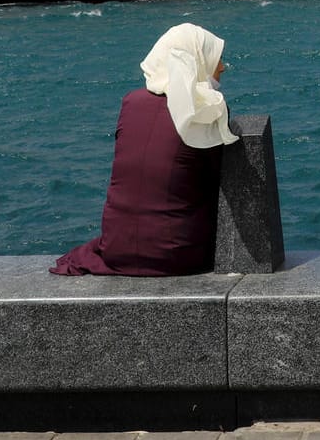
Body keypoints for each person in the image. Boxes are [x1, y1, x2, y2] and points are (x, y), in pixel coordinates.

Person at [53, 24, 235, 276]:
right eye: (215, 58)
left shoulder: (131, 102)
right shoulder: (206, 110)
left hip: (116, 249)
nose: (223, 66)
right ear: (196, 61)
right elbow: (218, 182)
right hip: (177, 254)